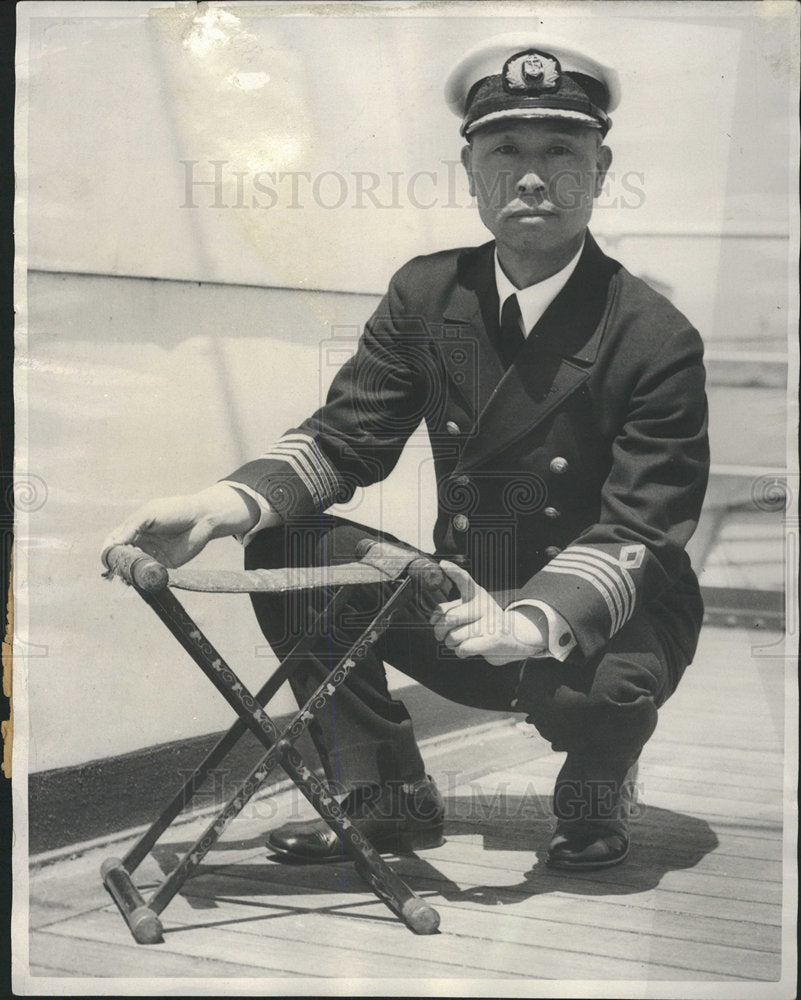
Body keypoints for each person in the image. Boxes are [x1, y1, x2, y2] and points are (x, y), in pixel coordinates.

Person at [104, 34, 709, 871]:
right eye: (504, 151)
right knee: (289, 544)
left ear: (600, 172)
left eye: (560, 151)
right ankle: (383, 796)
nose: (531, 176)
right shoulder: (428, 294)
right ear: (470, 172)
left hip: (601, 619)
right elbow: (344, 440)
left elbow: (639, 530)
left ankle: (595, 792)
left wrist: (530, 620)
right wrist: (215, 505)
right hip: (468, 596)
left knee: (604, 693)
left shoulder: (653, 335)